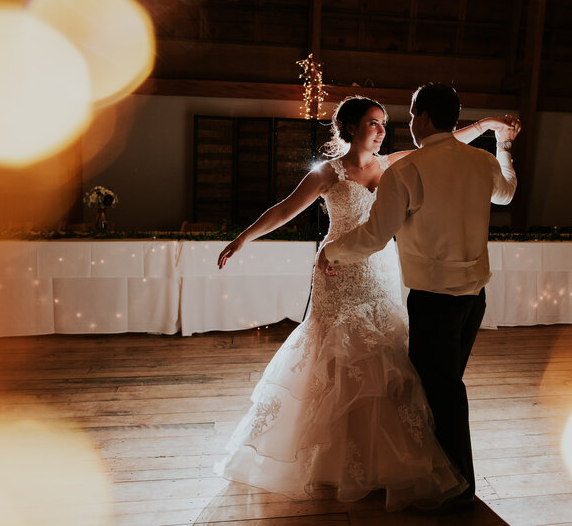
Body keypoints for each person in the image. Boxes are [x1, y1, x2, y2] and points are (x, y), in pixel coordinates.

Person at [213, 95, 517, 511]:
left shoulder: (395, 163)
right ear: (351, 126)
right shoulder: (329, 172)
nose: (380, 129)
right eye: (373, 122)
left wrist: (486, 126)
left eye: (384, 123)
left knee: (385, 356)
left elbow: (446, 143)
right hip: (338, 272)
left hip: (382, 270)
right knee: (340, 354)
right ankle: (335, 455)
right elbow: (285, 209)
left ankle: (378, 458)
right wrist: (243, 237)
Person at [318, 83, 520, 510]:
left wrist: (331, 250)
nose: (407, 124)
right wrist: (503, 148)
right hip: (474, 298)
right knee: (443, 384)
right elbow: (506, 192)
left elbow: (374, 236)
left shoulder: (406, 171)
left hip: (434, 299)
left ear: (424, 118)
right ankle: (439, 473)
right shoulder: (481, 161)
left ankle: (457, 485)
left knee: (441, 390)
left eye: (410, 115)